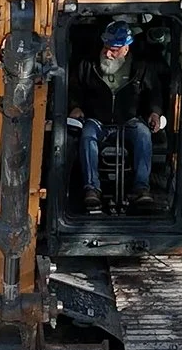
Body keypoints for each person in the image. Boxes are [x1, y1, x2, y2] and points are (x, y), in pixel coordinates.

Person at [68, 21, 166, 212]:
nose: (107, 53)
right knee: (87, 135)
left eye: (113, 50)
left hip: (128, 120)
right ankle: (91, 189)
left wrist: (155, 112)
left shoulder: (141, 67)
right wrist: (75, 107)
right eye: (105, 48)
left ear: (125, 49)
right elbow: (73, 88)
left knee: (143, 134)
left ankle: (141, 189)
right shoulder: (88, 64)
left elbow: (154, 93)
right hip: (96, 120)